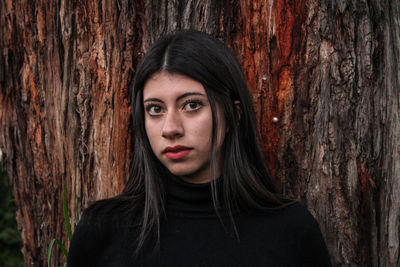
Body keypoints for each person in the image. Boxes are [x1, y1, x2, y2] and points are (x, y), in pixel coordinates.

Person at [67, 30, 331, 267]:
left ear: (233, 114)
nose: (170, 128)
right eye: (155, 109)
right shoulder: (102, 231)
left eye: (191, 105)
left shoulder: (291, 232)